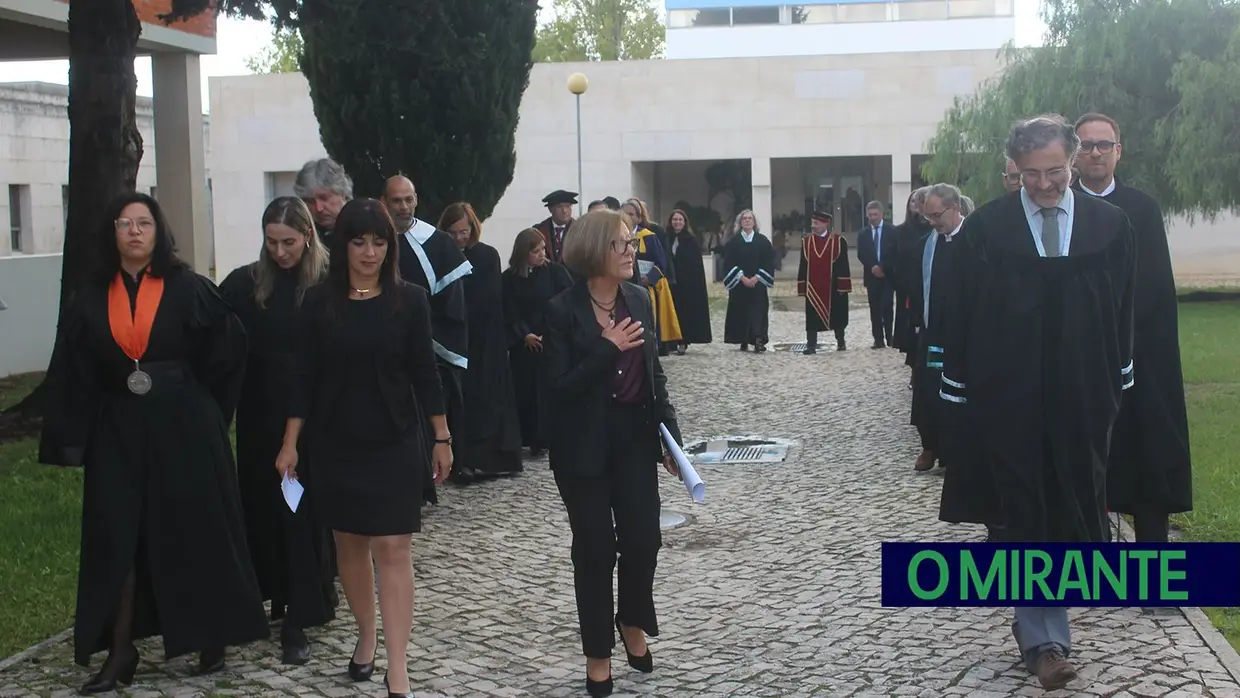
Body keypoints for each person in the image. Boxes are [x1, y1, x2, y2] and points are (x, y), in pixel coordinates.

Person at [38, 191, 268, 693]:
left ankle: (211, 634)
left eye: (145, 223)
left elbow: (227, 353)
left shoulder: (187, 288)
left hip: (184, 425)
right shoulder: (92, 295)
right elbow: (75, 372)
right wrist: (73, 438)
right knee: (117, 534)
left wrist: (205, 407)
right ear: (112, 233)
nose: (135, 232)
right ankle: (121, 651)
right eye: (125, 224)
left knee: (195, 525)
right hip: (119, 426)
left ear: (159, 231)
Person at [937, 114, 1136, 691]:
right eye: (1031, 175)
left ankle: (1057, 614)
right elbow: (961, 312)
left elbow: (1124, 308)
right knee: (1021, 511)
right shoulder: (987, 231)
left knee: (1074, 503)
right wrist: (957, 388)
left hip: (1083, 395)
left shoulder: (1112, 225)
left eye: (1055, 172)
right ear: (1013, 171)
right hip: (1009, 396)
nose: (1045, 185)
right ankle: (1044, 640)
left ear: (1073, 162)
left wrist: (1119, 376)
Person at [276, 198, 453, 698]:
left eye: (379, 241)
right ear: (343, 244)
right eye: (359, 241)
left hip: (395, 438)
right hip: (335, 441)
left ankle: (398, 667)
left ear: (390, 246)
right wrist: (290, 442)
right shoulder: (318, 303)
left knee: (394, 549)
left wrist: (442, 436)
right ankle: (366, 633)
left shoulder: (410, 300)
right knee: (349, 547)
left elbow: (426, 372)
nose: (370, 251)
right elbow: (303, 379)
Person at [544, 209, 684, 697]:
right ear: (593, 251)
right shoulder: (561, 310)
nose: (631, 251)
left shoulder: (639, 299)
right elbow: (557, 390)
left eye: (631, 243)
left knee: (645, 540)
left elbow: (654, 373)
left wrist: (671, 435)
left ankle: (632, 620)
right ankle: (598, 654)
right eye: (620, 244)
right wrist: (605, 348)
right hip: (581, 447)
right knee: (596, 551)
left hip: (633, 439)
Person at [219, 197, 336, 665]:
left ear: (307, 237)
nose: (280, 251)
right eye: (272, 242)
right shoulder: (247, 282)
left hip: (312, 418)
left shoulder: (327, 284)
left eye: (288, 242)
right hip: (259, 413)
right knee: (263, 506)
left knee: (299, 510)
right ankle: (274, 592)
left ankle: (301, 611)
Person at [1073, 112, 1192, 541]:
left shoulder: (1142, 208)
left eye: (1104, 145)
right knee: (1078, 458)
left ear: (1118, 152)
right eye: (1086, 145)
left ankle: (1151, 565)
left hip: (1137, 351)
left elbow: (1155, 284)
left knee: (1146, 449)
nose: (1096, 153)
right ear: (1074, 155)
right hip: (1076, 355)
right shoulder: (1060, 207)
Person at [381, 175, 472, 489]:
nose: (404, 207)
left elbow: (454, 306)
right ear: (384, 202)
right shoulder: (372, 242)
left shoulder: (437, 242)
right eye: (396, 201)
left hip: (428, 351)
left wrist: (424, 336)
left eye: (409, 199)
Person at [439, 201, 523, 478]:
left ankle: (489, 459)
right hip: (455, 338)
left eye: (464, 231)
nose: (460, 237)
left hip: (485, 338)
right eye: (454, 232)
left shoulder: (486, 255)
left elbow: (487, 299)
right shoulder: (443, 254)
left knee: (487, 397)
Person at [908, 184, 965, 472]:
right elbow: (916, 288)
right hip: (934, 334)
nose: (931, 222)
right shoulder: (926, 246)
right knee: (929, 388)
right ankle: (930, 445)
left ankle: (958, 450)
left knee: (962, 393)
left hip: (968, 334)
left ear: (955, 208)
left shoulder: (978, 240)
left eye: (936, 215)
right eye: (927, 216)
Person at [502, 228, 573, 458]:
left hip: (551, 341)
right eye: (535, 251)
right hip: (524, 345)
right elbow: (508, 310)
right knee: (526, 391)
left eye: (543, 249)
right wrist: (524, 334)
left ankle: (550, 436)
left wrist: (549, 334)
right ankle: (530, 436)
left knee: (549, 390)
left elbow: (567, 303)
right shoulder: (509, 278)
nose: (542, 254)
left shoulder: (556, 273)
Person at [622, 199, 682, 356]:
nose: (627, 217)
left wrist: (650, 278)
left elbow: (661, 262)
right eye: (624, 213)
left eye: (631, 214)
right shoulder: (618, 235)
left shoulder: (649, 236)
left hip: (646, 286)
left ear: (639, 217)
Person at [796, 211, 851, 354]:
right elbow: (803, 265)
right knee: (811, 317)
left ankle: (841, 341)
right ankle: (811, 344)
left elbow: (844, 265)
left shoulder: (838, 241)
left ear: (825, 224)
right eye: (812, 223)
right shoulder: (806, 242)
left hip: (833, 286)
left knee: (838, 314)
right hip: (813, 287)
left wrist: (843, 286)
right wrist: (803, 287)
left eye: (816, 223)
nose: (813, 226)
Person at [721, 209, 775, 352]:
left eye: (750, 218)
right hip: (740, 284)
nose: (747, 220)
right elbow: (728, 263)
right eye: (744, 218)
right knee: (741, 311)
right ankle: (743, 339)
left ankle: (758, 339)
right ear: (740, 222)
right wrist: (742, 277)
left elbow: (769, 262)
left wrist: (756, 278)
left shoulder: (763, 241)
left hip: (758, 283)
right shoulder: (733, 242)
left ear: (754, 222)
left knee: (758, 311)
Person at [665, 208, 712, 354]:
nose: (677, 222)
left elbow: (695, 265)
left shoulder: (691, 240)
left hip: (686, 284)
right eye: (675, 219)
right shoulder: (665, 237)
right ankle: (670, 341)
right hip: (669, 282)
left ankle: (683, 341)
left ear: (685, 222)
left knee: (684, 313)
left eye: (680, 220)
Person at [855, 200, 898, 348]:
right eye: (870, 215)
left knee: (887, 306)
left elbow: (895, 252)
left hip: (887, 276)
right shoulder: (863, 234)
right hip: (871, 276)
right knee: (875, 309)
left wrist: (883, 268)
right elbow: (861, 253)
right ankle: (878, 339)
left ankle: (889, 336)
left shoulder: (892, 231)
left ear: (881, 214)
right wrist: (872, 266)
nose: (872, 217)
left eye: (875, 214)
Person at [293, 158, 352, 242]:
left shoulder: (363, 228)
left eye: (324, 198)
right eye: (310, 201)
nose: (318, 208)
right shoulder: (302, 235)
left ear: (343, 194)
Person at [534, 190, 579, 264]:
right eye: (559, 207)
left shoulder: (580, 230)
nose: (564, 211)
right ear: (550, 209)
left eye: (567, 206)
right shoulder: (538, 231)